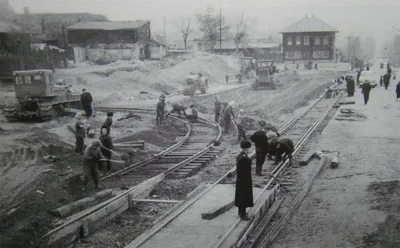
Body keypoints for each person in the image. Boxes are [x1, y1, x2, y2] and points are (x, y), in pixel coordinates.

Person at [234, 140, 254, 220]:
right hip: (244, 180)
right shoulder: (244, 158)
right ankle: (242, 213)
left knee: (242, 195)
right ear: (247, 148)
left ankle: (242, 212)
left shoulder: (241, 155)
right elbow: (244, 170)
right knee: (243, 196)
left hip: (242, 179)